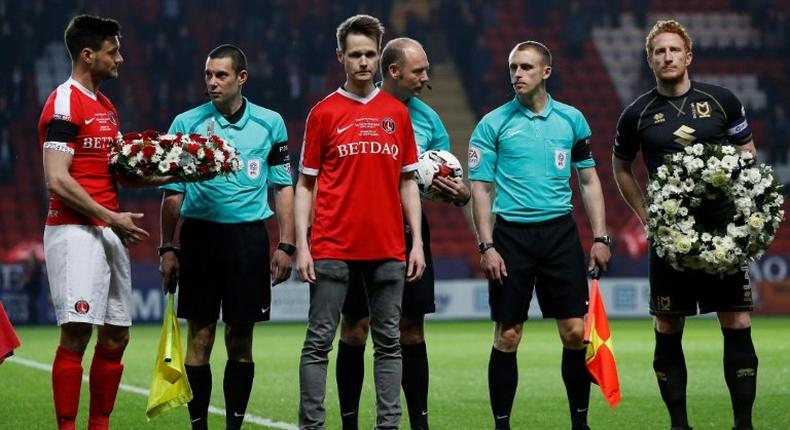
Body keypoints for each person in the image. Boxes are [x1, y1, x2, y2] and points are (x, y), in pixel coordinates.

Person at [612, 20, 758, 430]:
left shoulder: (723, 100)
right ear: (650, 60)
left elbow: (747, 152)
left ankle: (743, 424)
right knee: (667, 323)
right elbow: (621, 168)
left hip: (721, 229)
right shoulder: (636, 114)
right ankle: (679, 424)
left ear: (688, 56)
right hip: (670, 239)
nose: (667, 57)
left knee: (737, 320)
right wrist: (647, 216)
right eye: (659, 52)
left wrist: (744, 204)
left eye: (674, 50)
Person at [468, 41, 611, 430]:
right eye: (513, 67)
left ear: (546, 72)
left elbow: (588, 180)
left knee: (575, 332)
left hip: (560, 233)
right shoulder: (493, 123)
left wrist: (600, 236)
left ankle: (579, 423)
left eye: (526, 67)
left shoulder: (572, 120)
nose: (517, 74)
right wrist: (487, 244)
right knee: (509, 335)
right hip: (511, 237)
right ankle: (502, 425)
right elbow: (480, 188)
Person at [294, 15, 426, 430]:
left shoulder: (396, 114)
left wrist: (416, 241)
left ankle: (387, 425)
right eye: (355, 55)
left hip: (388, 246)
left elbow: (408, 182)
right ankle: (311, 426)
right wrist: (302, 244)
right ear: (341, 58)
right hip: (332, 245)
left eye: (370, 54)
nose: (364, 62)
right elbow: (305, 186)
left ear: (379, 57)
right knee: (318, 344)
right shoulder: (323, 113)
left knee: (389, 345)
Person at [335, 37, 470, 430]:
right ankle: (348, 423)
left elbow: (444, 175)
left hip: (408, 231)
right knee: (356, 327)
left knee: (411, 326)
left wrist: (459, 195)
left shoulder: (428, 118)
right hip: (358, 229)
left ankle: (419, 423)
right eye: (419, 71)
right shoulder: (360, 109)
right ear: (394, 71)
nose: (427, 78)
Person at [158, 44, 295, 430]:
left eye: (220, 75)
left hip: (249, 240)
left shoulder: (271, 123)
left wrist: (286, 243)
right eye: (208, 75)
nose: (212, 83)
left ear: (241, 78)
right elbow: (173, 192)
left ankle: (234, 426)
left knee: (240, 338)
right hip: (199, 237)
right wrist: (168, 247)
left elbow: (283, 186)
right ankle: (199, 426)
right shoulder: (186, 124)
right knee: (199, 337)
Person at [39, 14, 165, 430]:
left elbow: (120, 173)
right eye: (114, 52)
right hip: (75, 231)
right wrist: (110, 216)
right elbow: (57, 177)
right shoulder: (64, 100)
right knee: (77, 334)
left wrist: (183, 172)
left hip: (108, 228)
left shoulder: (106, 107)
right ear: (88, 55)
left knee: (116, 337)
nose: (121, 59)